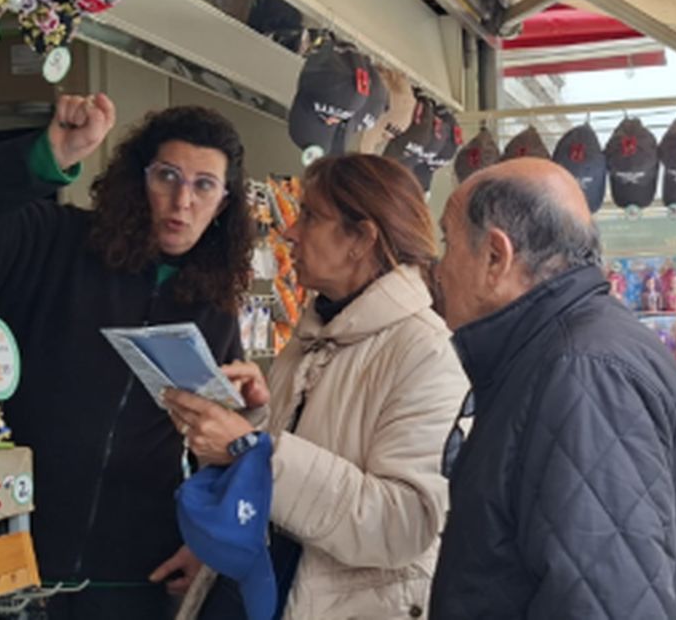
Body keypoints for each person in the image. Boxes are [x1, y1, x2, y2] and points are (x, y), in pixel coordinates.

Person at [0, 95, 256, 619]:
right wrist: (49, 153)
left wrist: (204, 537)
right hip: (5, 555)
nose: (181, 200)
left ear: (223, 204)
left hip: (132, 579)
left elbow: (212, 446)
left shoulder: (214, 307)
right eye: (167, 175)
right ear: (137, 178)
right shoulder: (54, 243)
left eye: (204, 185)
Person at [163, 154, 468, 619]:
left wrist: (249, 450)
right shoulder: (318, 330)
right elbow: (299, 475)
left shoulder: (426, 352)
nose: (289, 231)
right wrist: (254, 419)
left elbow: (402, 524)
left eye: (310, 216)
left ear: (360, 239)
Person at [430, 159, 676, 619]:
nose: (438, 268)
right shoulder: (568, 353)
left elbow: (608, 603)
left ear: (495, 257)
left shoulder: (583, 374)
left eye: (447, 244)